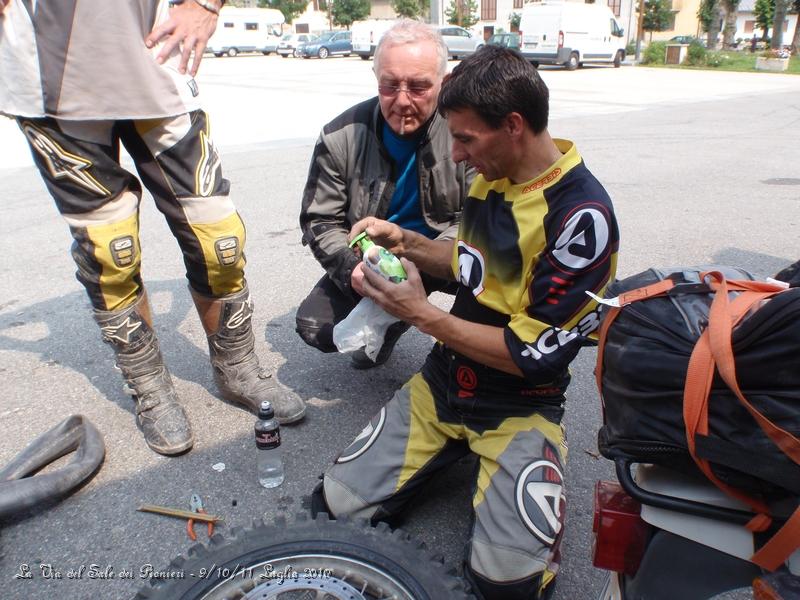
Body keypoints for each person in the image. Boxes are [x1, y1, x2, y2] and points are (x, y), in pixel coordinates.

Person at [311, 45, 620, 599]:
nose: (454, 154)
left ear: (515, 126)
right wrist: (405, 240)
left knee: (509, 585)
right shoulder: (493, 174)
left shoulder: (581, 219)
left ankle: (489, 455)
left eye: (466, 139)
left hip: (519, 404)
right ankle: (449, 446)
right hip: (445, 384)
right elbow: (471, 265)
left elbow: (534, 355)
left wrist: (419, 313)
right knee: (330, 511)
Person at [0, 0, 305, 456]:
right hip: (49, 74)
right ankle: (151, 386)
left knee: (220, 238)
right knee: (110, 251)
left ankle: (237, 366)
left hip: (157, 62)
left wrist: (206, 4)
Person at [296, 19, 474, 369]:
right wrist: (353, 271)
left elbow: (483, 217)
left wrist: (431, 256)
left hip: (446, 253)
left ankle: (466, 352)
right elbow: (319, 221)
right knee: (316, 328)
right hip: (375, 260)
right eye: (389, 86)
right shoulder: (340, 135)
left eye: (419, 87)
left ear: (444, 81)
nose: (402, 101)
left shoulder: (467, 131)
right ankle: (393, 319)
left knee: (495, 299)